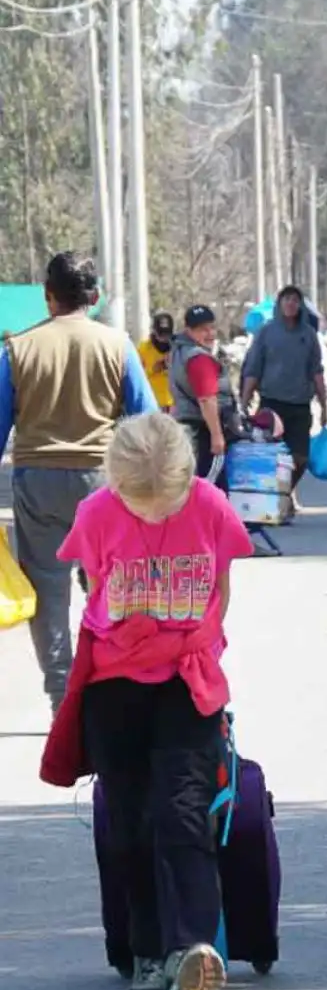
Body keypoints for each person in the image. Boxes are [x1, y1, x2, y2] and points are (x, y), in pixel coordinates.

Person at [42, 412, 253, 990]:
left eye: (167, 503)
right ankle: (148, 952)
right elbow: (91, 585)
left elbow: (221, 592)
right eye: (142, 504)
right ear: (116, 484)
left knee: (182, 810)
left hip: (187, 679)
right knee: (130, 819)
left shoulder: (211, 507)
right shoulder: (97, 513)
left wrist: (187, 639)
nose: (155, 514)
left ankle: (191, 951)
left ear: (188, 481)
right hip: (115, 684)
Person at [0, 253, 157, 710]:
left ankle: (63, 699)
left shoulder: (16, 350)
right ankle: (111, 685)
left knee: (48, 591)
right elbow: (146, 422)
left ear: (48, 297)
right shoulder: (118, 345)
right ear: (92, 297)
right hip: (102, 485)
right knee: (109, 585)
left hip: (38, 482)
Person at [240, 285, 327, 508]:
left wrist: (325, 405)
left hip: (300, 404)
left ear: (300, 306)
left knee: (300, 458)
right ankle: (277, 502)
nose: (291, 304)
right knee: (273, 457)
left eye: (295, 300)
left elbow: (316, 371)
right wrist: (244, 402)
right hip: (271, 404)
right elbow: (253, 369)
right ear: (280, 304)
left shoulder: (308, 334)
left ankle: (285, 494)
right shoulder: (267, 332)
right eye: (287, 299)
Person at [167, 306, 233, 481]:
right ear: (188, 331)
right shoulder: (199, 358)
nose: (210, 333)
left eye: (212, 327)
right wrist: (217, 437)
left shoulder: (178, 351)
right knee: (211, 490)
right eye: (202, 330)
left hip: (188, 432)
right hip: (203, 433)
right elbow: (207, 399)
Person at [137, 312, 176, 413]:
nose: (164, 339)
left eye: (167, 334)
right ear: (154, 331)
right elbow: (137, 376)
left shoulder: (177, 347)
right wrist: (154, 369)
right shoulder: (143, 349)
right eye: (161, 334)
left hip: (175, 404)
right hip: (153, 403)